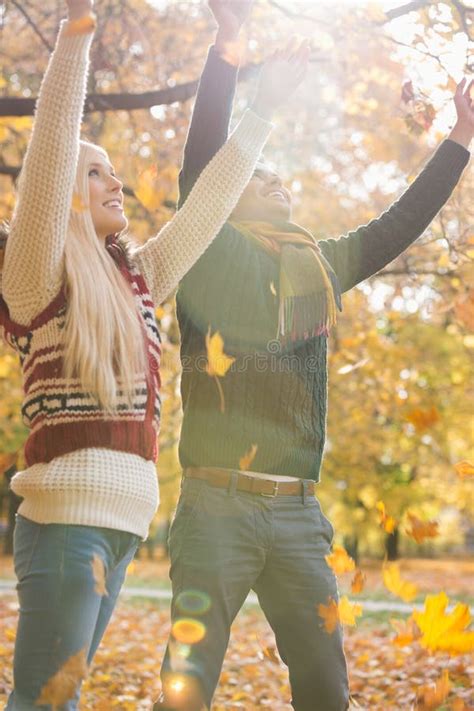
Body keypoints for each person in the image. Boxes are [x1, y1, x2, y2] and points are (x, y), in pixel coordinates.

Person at [156, 2, 472, 710]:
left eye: (282, 179)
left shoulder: (321, 267)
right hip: (216, 506)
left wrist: (460, 138)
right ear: (228, 201)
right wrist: (228, 49)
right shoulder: (207, 250)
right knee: (188, 685)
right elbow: (203, 161)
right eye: (260, 179)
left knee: (327, 688)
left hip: (298, 513)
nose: (278, 183)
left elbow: (397, 226)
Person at [1, 0, 309, 708]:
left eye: (115, 173)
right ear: (67, 196)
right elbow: (51, 151)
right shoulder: (36, 277)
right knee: (44, 703)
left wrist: (261, 105)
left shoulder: (137, 279)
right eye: (99, 174)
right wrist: (77, 33)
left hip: (123, 527)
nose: (118, 185)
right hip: (68, 524)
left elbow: (206, 206)